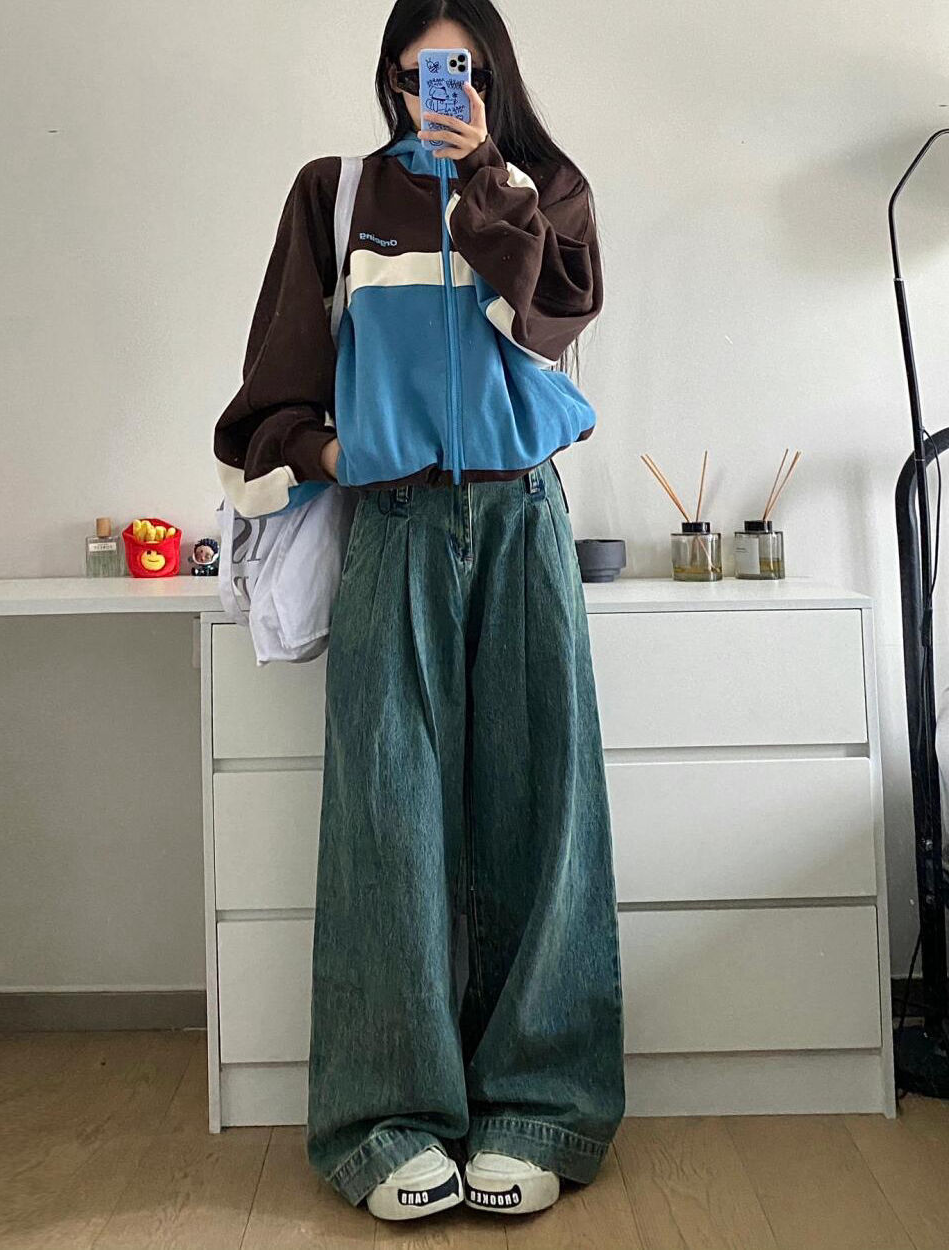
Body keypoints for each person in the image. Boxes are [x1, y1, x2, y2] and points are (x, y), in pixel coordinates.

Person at [212, 0, 625, 1223]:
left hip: (520, 520)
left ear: (492, 75)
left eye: (460, 72)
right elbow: (276, 374)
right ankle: (383, 1119)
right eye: (414, 75)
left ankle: (538, 1107)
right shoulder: (333, 195)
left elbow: (552, 324)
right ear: (389, 80)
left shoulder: (547, 190)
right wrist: (335, 453)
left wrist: (487, 180)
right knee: (385, 821)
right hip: (391, 525)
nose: (434, 95)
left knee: (542, 814)